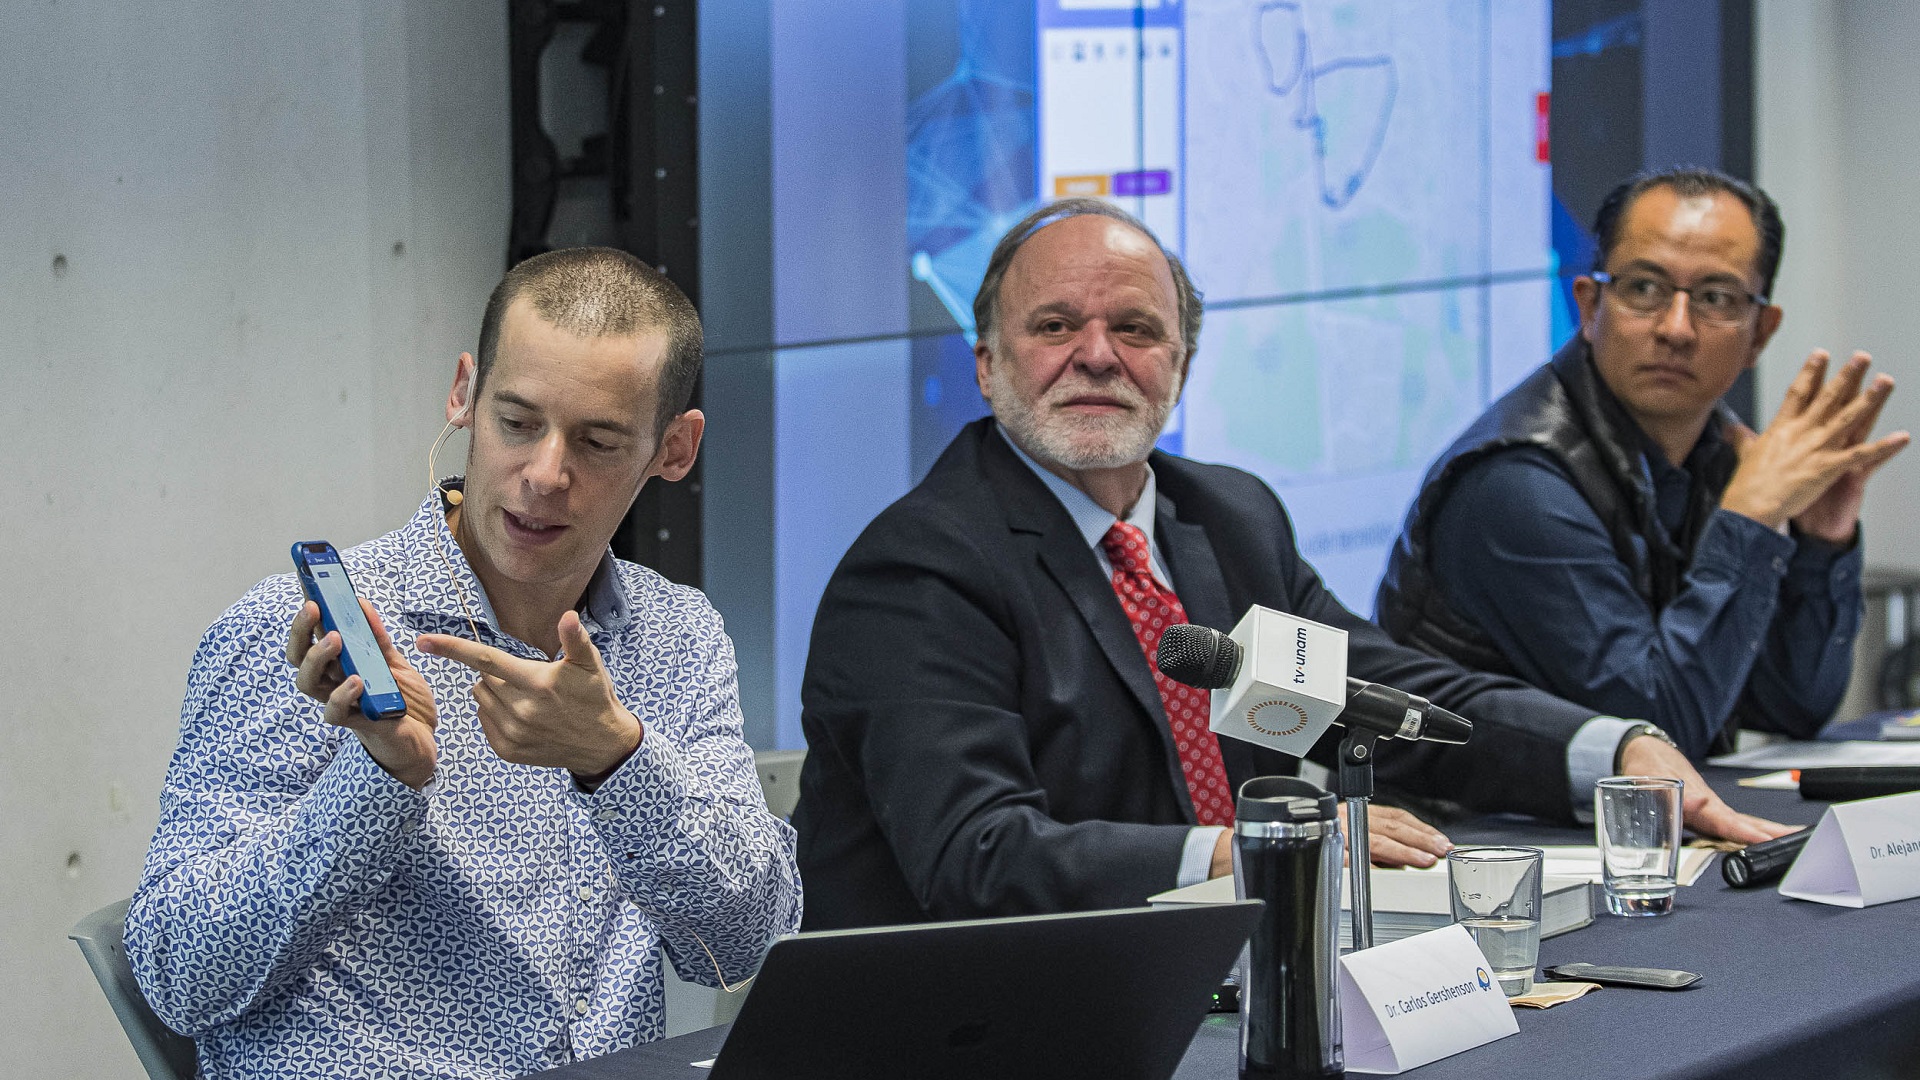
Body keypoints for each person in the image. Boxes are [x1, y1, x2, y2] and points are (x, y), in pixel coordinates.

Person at [793, 199, 1785, 932]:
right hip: (986, 1022)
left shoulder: (1222, 519)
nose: (1097, 356)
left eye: (1136, 330)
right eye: (1054, 326)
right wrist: (1255, 852)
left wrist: (1609, 751)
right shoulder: (923, 568)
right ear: (985, 363)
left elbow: (1382, 700)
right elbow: (979, 856)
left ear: (1180, 365)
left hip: (1221, 981)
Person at [126, 248, 801, 1078]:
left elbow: (746, 945)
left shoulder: (677, 636)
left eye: (596, 442)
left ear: (675, 449)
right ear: (464, 395)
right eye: (517, 423)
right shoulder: (301, 631)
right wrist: (373, 786)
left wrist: (618, 763)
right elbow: (176, 973)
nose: (545, 475)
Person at [1378, 168, 1908, 760]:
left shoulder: (1714, 453)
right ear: (1589, 304)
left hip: (1628, 837)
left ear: (1760, 332)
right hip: (1483, 843)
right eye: (1644, 289)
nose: (1675, 329)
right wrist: (1750, 519)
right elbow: (1656, 730)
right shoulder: (1515, 482)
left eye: (1714, 298)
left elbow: (1793, 705)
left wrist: (1820, 544)